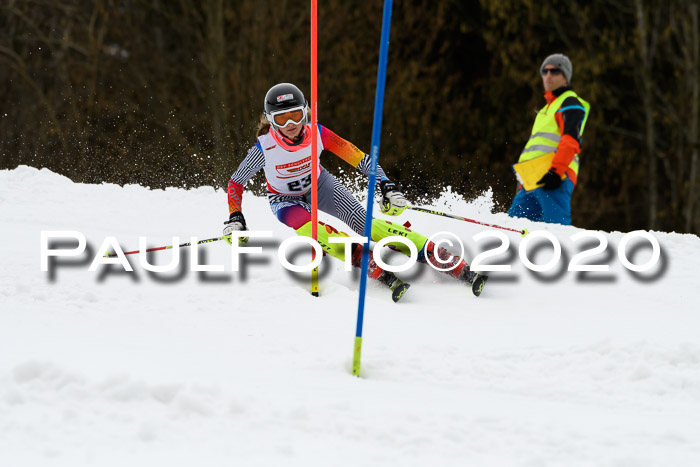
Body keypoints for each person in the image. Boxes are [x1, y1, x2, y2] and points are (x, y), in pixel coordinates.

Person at [223, 83, 486, 300]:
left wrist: (385, 183)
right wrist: (236, 217)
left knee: (365, 224)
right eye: (282, 118)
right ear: (271, 120)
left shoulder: (318, 133)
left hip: (320, 186)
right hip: (284, 200)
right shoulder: (265, 148)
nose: (291, 123)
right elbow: (236, 182)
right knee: (312, 231)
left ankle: (430, 251)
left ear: (306, 112)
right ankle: (364, 258)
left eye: (296, 115)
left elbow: (360, 158)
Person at [508, 53, 590, 225]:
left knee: (556, 231)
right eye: (545, 71)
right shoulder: (547, 108)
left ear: (565, 76)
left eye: (555, 71)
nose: (548, 75)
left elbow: (570, 141)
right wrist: (523, 181)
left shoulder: (570, 102)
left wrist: (555, 172)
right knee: (513, 228)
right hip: (532, 180)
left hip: (555, 177)